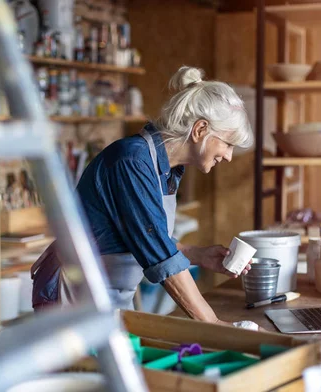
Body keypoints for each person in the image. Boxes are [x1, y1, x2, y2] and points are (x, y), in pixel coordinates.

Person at [31, 66, 254, 326]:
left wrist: (199, 255)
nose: (227, 156)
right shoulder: (131, 162)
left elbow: (145, 237)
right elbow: (160, 256)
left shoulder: (168, 170)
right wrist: (216, 326)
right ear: (200, 129)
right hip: (70, 296)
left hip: (105, 297)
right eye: (227, 144)